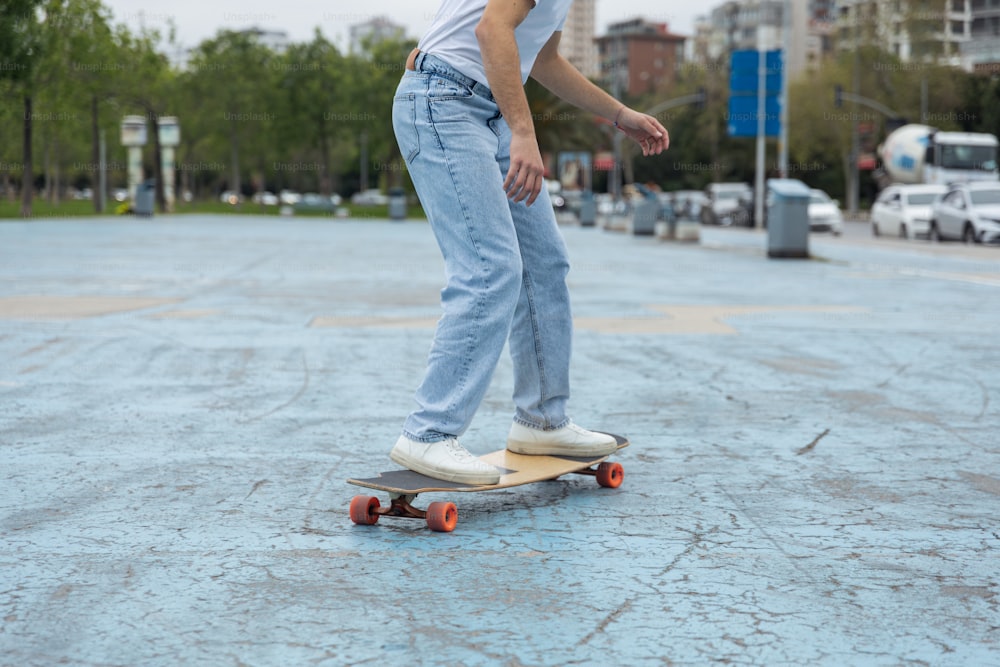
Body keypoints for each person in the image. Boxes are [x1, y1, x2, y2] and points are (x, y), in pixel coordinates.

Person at [389, 0, 669, 484]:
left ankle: (542, 420)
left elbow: (542, 59)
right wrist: (524, 130)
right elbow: (491, 28)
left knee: (544, 265)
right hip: (443, 103)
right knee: (489, 268)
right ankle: (428, 434)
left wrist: (619, 114)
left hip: (490, 109)